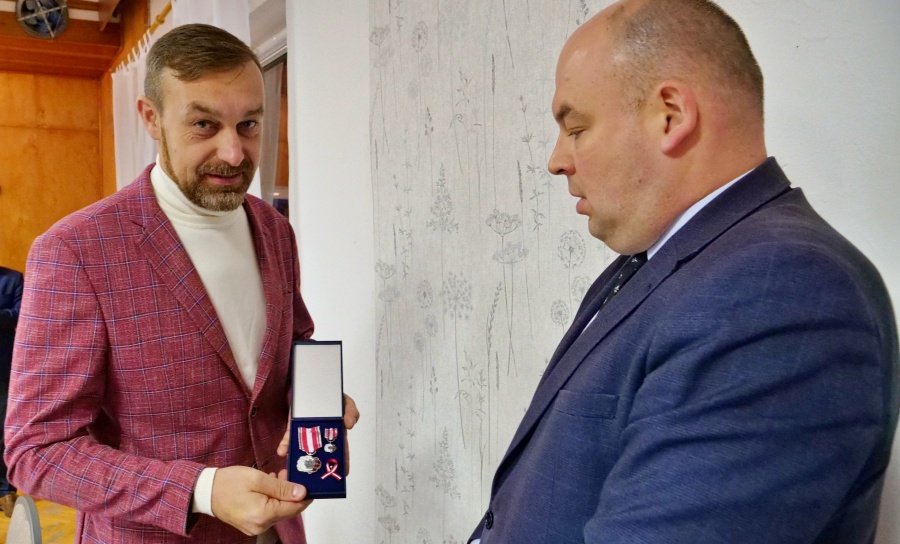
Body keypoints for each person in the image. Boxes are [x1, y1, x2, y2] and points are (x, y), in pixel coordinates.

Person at [470, 1, 899, 542]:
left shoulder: (783, 288)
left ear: (671, 115)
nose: (557, 160)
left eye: (576, 128)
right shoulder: (659, 266)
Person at [4, 24, 358, 543]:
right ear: (151, 118)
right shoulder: (76, 251)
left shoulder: (274, 228)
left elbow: (293, 343)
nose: (234, 153)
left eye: (249, 124)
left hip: (280, 531)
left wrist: (317, 400)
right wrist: (202, 490)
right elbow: (37, 451)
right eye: (204, 125)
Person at [0, 266, 23, 517]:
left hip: (4, 368)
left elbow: (21, 315)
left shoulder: (13, 279)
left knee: (3, 430)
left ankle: (5, 491)